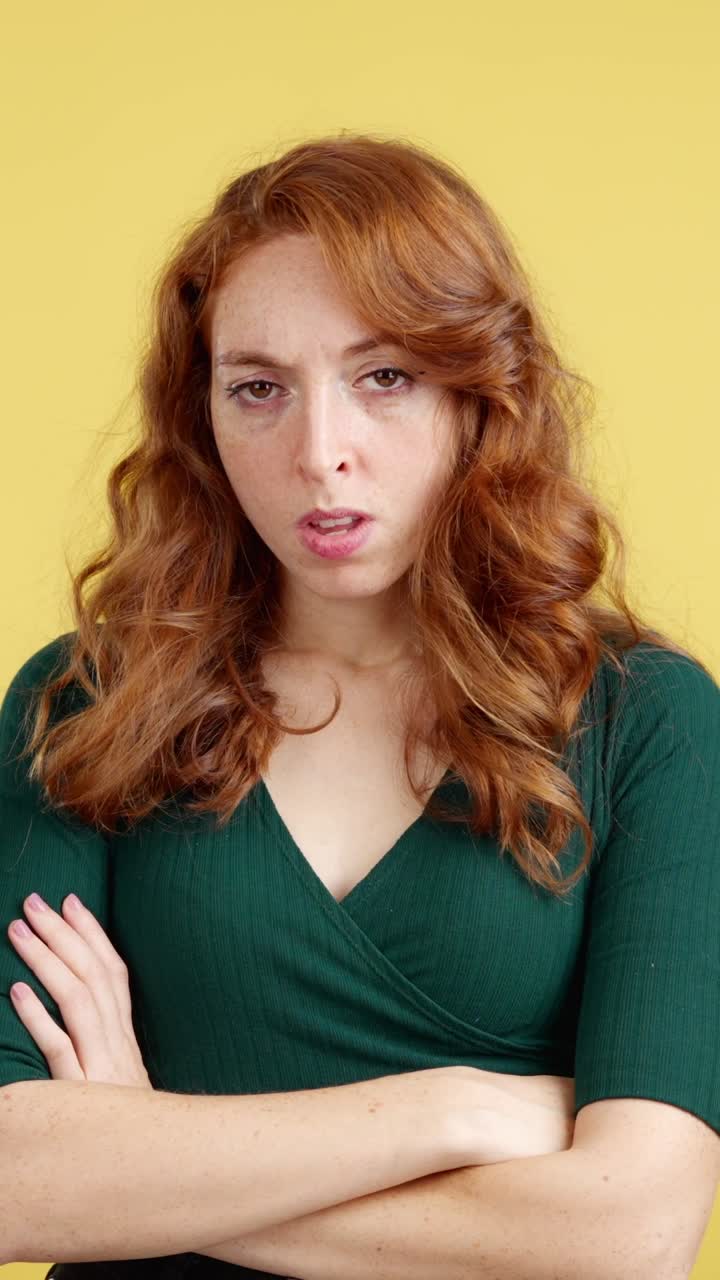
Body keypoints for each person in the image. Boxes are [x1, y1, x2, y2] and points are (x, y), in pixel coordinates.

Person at [1, 132, 718, 1277]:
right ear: (202, 416)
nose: (320, 452)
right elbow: (14, 1177)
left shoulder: (647, 719)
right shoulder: (86, 702)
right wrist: (454, 1106)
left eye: (384, 377)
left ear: (481, 391)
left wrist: (140, 1157)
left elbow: (630, 1232)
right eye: (258, 389)